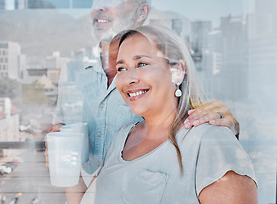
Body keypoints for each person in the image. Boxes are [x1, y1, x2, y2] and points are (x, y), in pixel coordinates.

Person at [49, 0, 240, 202]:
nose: (100, 5)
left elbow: (207, 122)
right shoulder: (74, 73)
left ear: (141, 11)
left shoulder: (171, 83)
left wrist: (225, 126)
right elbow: (66, 145)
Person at [81, 25, 257, 204]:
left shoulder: (211, 140)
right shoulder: (121, 138)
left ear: (177, 71)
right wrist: (69, 164)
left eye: (142, 64)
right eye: (121, 69)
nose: (129, 78)